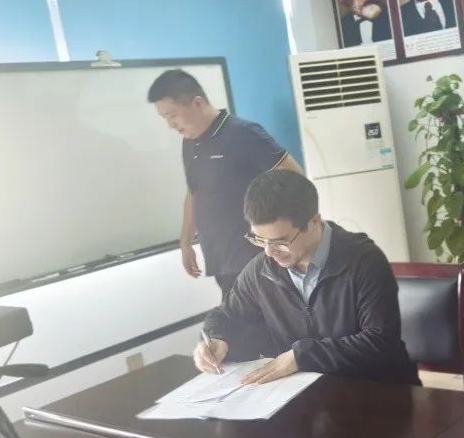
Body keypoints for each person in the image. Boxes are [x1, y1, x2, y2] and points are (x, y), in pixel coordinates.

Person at [194, 170, 419, 386]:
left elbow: (380, 341)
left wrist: (301, 356)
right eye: (260, 240)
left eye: (280, 241)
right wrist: (216, 338)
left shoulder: (364, 261)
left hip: (377, 389)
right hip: (307, 390)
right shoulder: (261, 270)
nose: (269, 252)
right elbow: (226, 315)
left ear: (313, 222)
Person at [148, 69, 302, 301]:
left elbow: (295, 179)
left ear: (197, 103)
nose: (171, 125)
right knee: (238, 319)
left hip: (258, 260)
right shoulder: (189, 142)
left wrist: (284, 238)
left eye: (172, 115)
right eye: (165, 118)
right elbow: (194, 191)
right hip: (222, 260)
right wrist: (186, 241)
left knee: (269, 320)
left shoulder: (243, 134)